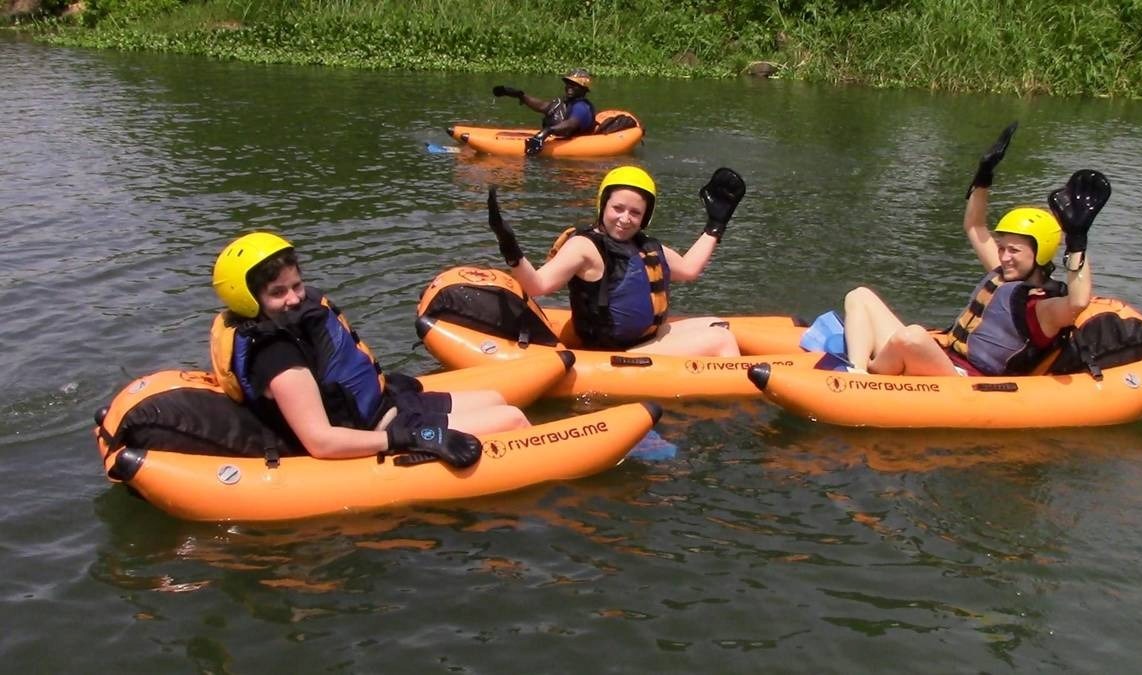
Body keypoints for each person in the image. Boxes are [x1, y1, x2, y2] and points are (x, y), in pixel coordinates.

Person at [210, 232, 529, 465]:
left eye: (296, 285)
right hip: (380, 429)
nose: (293, 298)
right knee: (512, 419)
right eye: (277, 292)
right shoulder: (278, 359)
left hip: (389, 405)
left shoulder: (292, 322)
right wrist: (413, 439)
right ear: (248, 299)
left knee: (495, 399)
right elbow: (321, 441)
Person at [842, 122, 1111, 376]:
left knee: (911, 336)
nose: (1003, 257)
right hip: (943, 357)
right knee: (860, 295)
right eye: (1002, 247)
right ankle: (856, 371)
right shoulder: (1006, 273)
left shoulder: (1040, 308)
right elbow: (975, 226)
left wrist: (1077, 238)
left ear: (1040, 253)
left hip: (965, 379)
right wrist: (983, 176)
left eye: (1013, 251)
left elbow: (1077, 302)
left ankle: (867, 379)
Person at [486, 165, 747, 357]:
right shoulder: (584, 247)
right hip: (614, 351)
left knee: (717, 323)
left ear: (645, 217)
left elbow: (689, 269)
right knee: (720, 339)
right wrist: (510, 247)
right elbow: (537, 286)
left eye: (635, 213)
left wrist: (716, 225)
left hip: (646, 339)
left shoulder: (643, 246)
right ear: (603, 205)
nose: (625, 219)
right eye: (618, 208)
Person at [492, 68, 597, 155]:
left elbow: (571, 124)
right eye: (568, 83)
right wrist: (521, 95)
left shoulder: (582, 107)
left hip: (574, 141)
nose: (569, 87)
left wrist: (546, 132)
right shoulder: (566, 103)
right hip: (554, 135)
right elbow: (543, 106)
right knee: (555, 105)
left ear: (584, 89)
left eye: (574, 85)